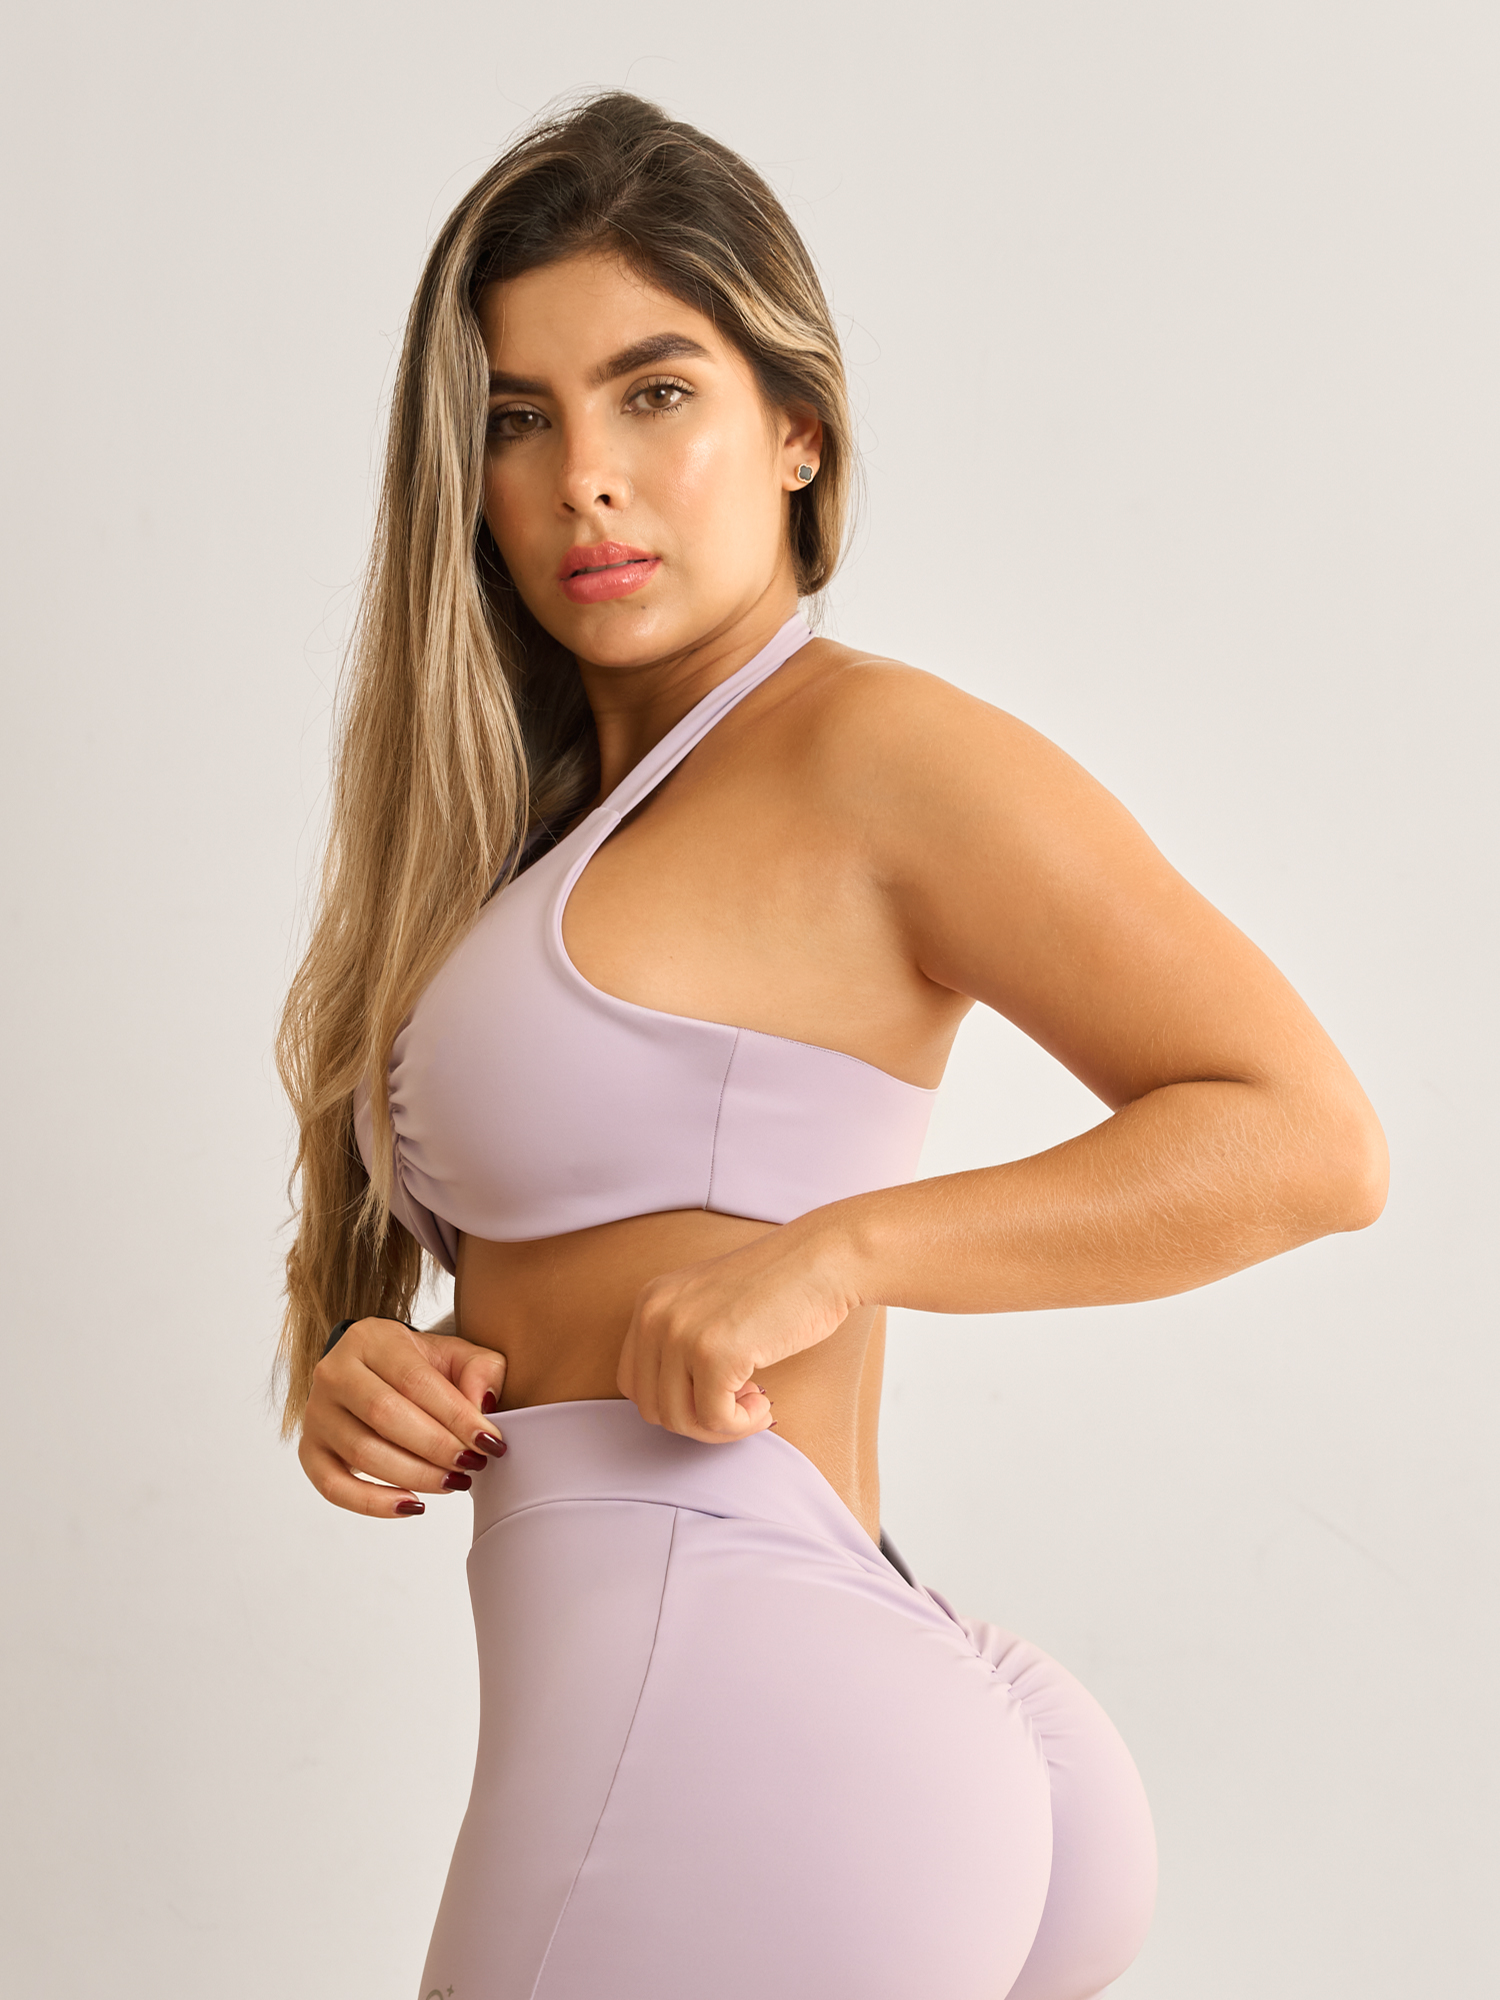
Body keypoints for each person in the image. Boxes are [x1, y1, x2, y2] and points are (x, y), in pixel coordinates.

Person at [277, 91, 1387, 2000]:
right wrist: (372, 1373)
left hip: (738, 1714)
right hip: (778, 1694)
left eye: (655, 393)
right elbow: (587, 1245)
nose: (586, 481)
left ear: (799, 427)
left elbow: (1305, 1137)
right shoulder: (540, 831)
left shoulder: (872, 752)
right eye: (517, 420)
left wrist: (842, 1254)